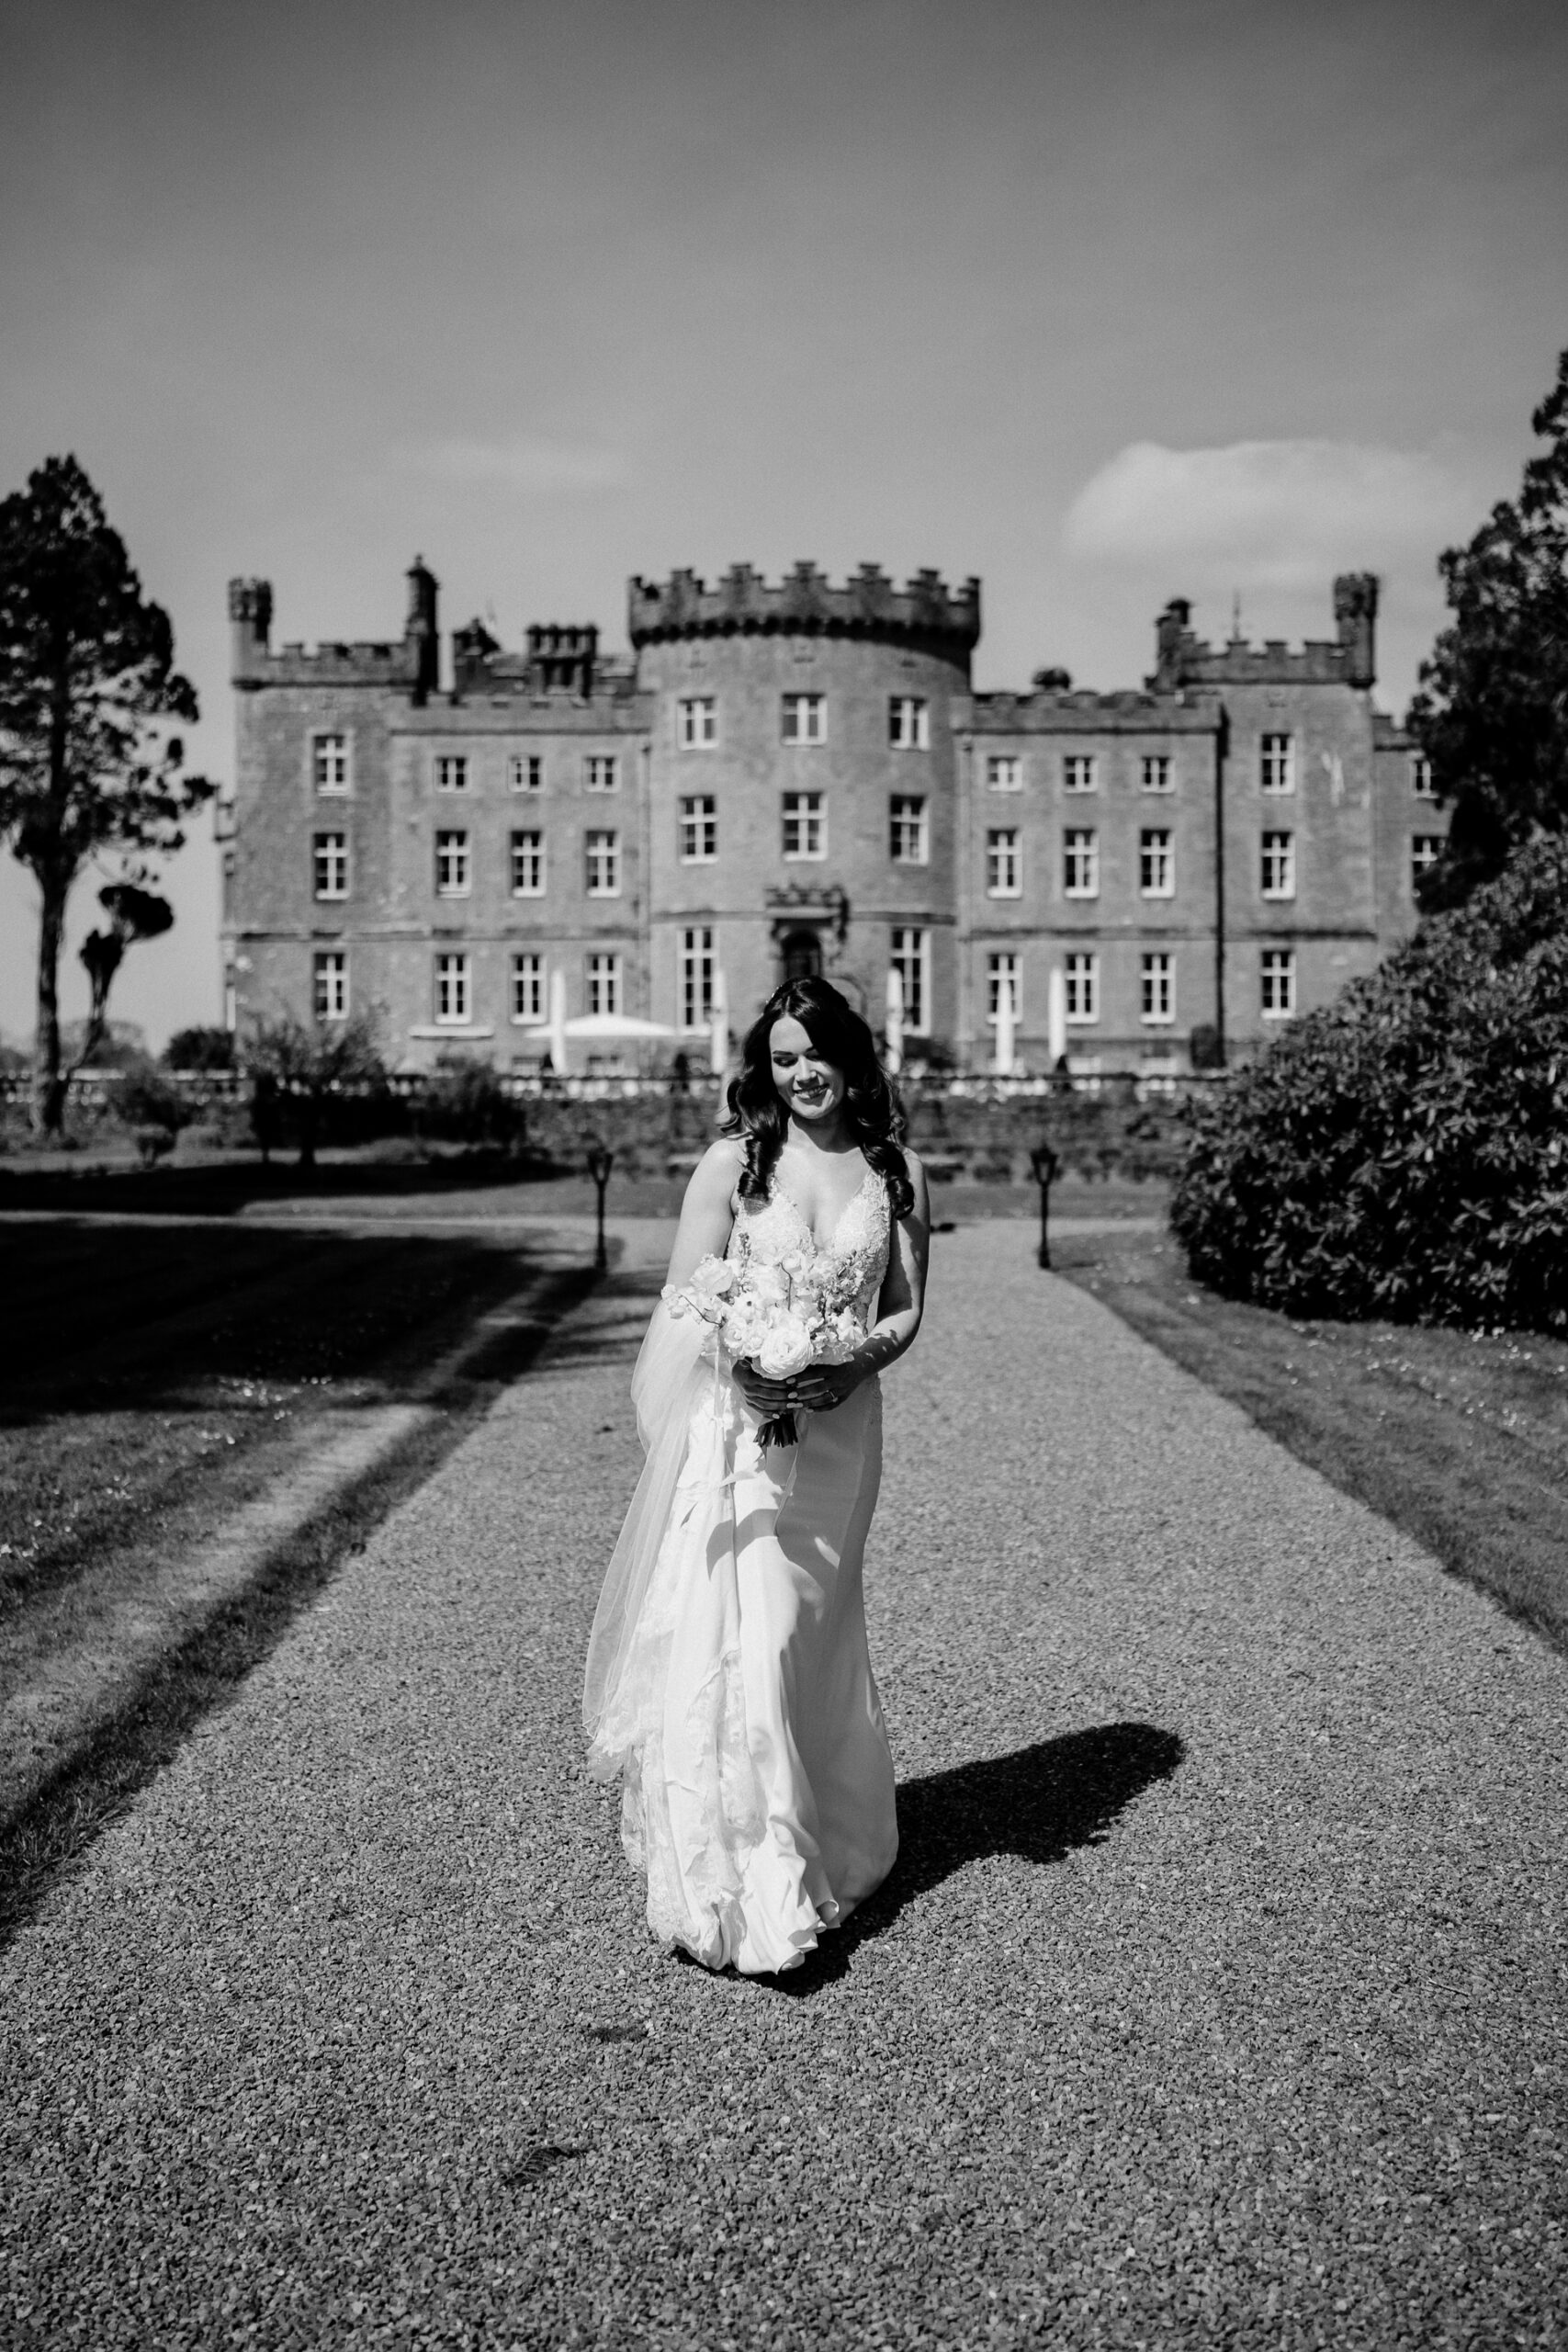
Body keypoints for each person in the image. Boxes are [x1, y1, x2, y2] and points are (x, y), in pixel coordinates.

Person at [583, 977, 930, 1974]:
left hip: (843, 1438)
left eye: (816, 1053)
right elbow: (689, 1299)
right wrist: (747, 1362)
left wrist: (854, 1358)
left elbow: (905, 1308)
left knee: (816, 1632)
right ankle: (758, 1880)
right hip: (747, 1436)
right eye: (783, 1058)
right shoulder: (733, 1167)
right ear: (763, 1067)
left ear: (853, 1057)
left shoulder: (894, 1168)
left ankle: (831, 1837)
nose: (802, 1073)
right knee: (761, 1632)